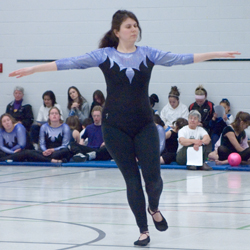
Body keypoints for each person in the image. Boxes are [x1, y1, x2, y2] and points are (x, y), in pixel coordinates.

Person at [9, 9, 240, 246]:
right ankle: (143, 230)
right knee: (132, 180)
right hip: (115, 127)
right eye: (129, 26)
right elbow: (71, 63)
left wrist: (216, 53)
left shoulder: (149, 54)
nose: (134, 29)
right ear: (117, 31)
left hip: (145, 125)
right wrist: (34, 69)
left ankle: (154, 207)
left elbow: (180, 58)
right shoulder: (104, 55)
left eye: (136, 25)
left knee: (154, 179)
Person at [0, 107, 72, 163]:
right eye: (52, 113)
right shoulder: (44, 127)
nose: (54, 115)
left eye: (56, 113)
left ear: (60, 116)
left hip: (58, 151)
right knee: (33, 153)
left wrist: (52, 150)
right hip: (45, 151)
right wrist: (45, 151)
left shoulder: (65, 127)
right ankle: (51, 159)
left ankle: (50, 159)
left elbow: (65, 145)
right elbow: (42, 144)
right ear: (49, 116)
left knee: (65, 151)